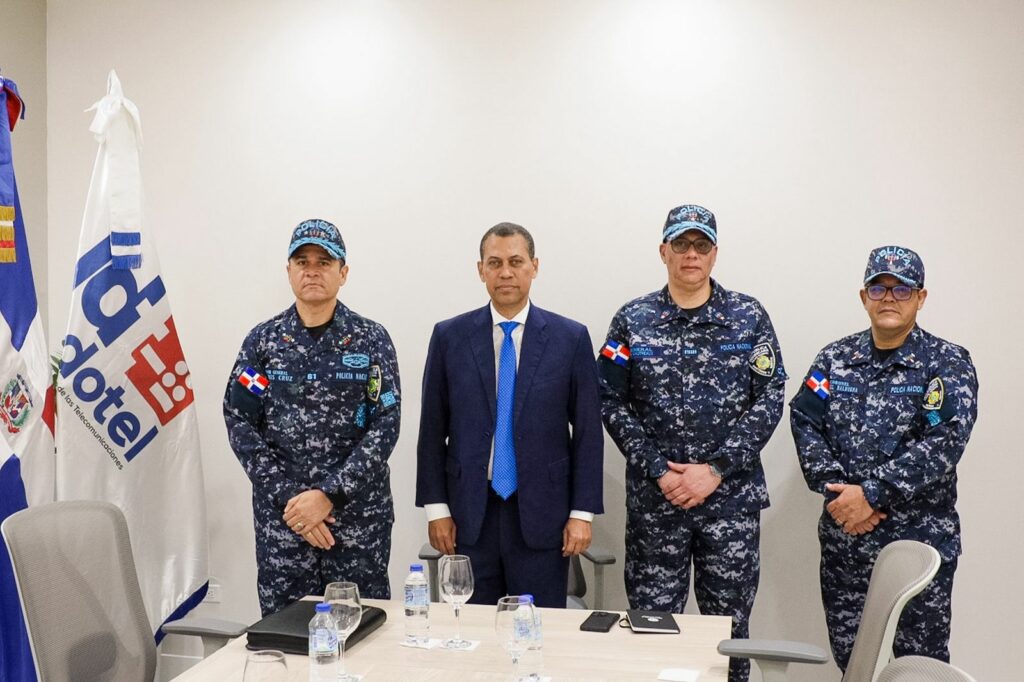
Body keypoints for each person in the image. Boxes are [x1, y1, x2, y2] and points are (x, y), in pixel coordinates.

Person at [598, 204, 786, 682]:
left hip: (730, 504)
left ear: (714, 254)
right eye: (681, 244)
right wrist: (659, 470)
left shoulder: (748, 316)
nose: (691, 254)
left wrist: (716, 469)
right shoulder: (632, 319)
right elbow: (609, 400)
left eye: (701, 245)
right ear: (663, 251)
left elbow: (770, 399)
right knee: (652, 631)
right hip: (656, 505)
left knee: (730, 636)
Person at [790, 245, 978, 671]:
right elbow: (804, 420)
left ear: (921, 297)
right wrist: (839, 494)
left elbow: (945, 440)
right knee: (854, 665)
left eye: (902, 289)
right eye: (878, 288)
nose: (889, 298)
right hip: (847, 544)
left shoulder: (946, 363)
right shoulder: (834, 360)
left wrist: (872, 494)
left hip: (917, 545)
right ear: (864, 297)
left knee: (919, 669)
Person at [415, 222, 603, 608]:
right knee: (471, 629)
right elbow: (431, 430)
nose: (505, 272)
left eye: (516, 262)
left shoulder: (570, 338)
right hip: (469, 515)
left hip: (543, 515)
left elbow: (588, 433)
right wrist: (436, 510)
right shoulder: (450, 337)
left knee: (537, 626)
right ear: (480, 270)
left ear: (534, 266)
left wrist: (582, 513)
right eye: (495, 263)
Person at [224, 218, 400, 616]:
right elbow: (239, 421)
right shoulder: (263, 343)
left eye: (324, 262)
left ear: (343, 272)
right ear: (288, 271)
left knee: (362, 633)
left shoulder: (371, 339)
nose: (312, 271)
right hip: (284, 528)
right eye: (302, 262)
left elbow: (386, 425)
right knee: (285, 636)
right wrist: (292, 501)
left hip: (356, 526)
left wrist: (328, 496)